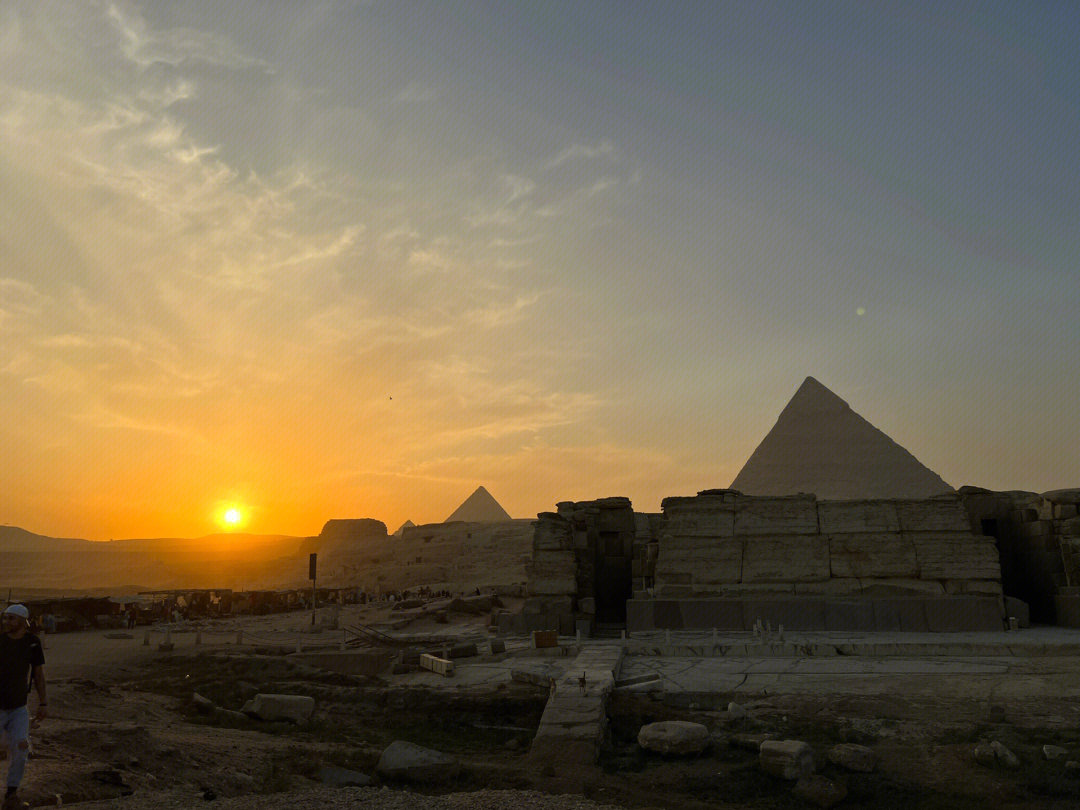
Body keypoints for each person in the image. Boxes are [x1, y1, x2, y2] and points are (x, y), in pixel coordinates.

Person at [0, 605, 46, 810]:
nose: (6, 622)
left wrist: (43, 703)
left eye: (10, 618)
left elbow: (38, 674)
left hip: (18, 708)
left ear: (22, 620)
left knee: (21, 748)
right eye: (5, 618)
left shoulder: (32, 643)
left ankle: (11, 795)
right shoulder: (0, 641)